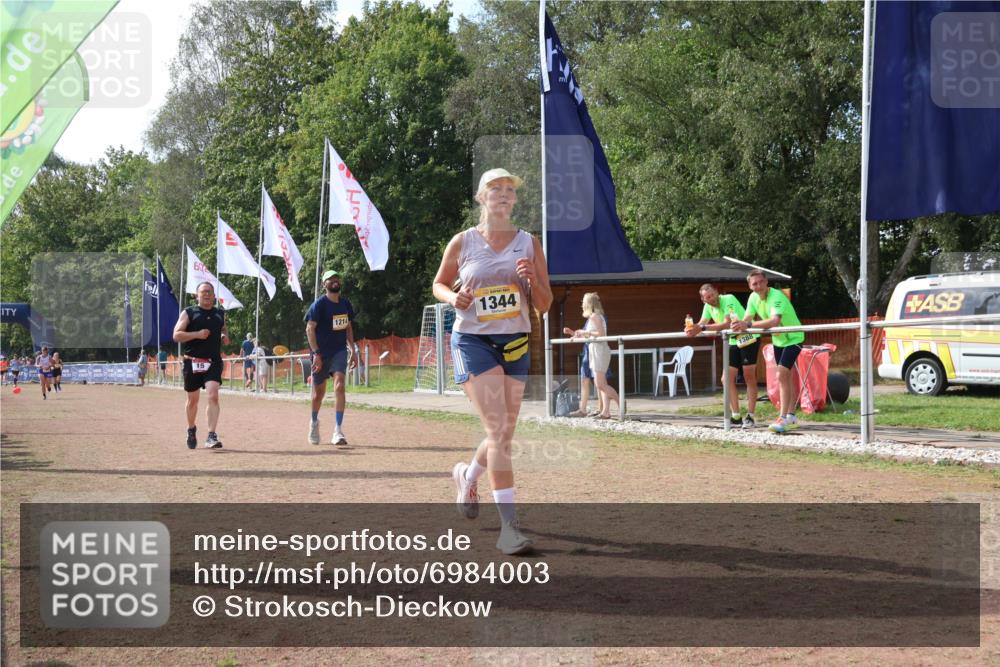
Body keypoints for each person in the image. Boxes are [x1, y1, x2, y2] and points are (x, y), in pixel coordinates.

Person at [433, 167, 553, 556]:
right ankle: (509, 528)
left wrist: (532, 279)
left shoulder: (529, 243)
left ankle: (468, 476)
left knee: (502, 436)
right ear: (481, 198)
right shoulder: (463, 242)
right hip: (473, 341)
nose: (503, 195)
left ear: (515, 200)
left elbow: (546, 304)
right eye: (494, 189)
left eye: (509, 190)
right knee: (500, 432)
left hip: (515, 341)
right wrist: (454, 298)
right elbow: (439, 283)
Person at [732, 270, 805, 434]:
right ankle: (791, 415)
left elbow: (774, 320)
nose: (758, 286)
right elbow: (747, 318)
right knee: (785, 376)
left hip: (794, 338)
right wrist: (738, 324)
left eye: (760, 282)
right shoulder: (752, 298)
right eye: (754, 284)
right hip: (778, 340)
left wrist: (747, 326)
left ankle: (783, 417)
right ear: (750, 286)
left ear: (766, 282)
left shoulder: (777, 296)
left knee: (781, 375)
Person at [687, 283, 760, 428]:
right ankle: (736, 416)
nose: (712, 299)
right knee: (726, 378)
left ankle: (750, 416)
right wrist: (691, 329)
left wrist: (701, 327)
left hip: (748, 337)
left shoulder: (728, 298)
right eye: (707, 297)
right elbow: (702, 323)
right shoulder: (707, 306)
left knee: (748, 376)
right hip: (733, 340)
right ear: (703, 300)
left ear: (717, 292)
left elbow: (727, 323)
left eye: (712, 295)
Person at [173, 281, 230, 449]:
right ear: (197, 295)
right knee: (193, 401)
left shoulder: (220, 314)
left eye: (209, 292)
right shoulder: (189, 312)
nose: (206, 294)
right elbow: (176, 335)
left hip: (213, 362)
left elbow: (223, 329)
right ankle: (191, 429)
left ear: (214, 296)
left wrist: (224, 336)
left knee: (213, 395)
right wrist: (197, 334)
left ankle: (211, 435)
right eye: (203, 292)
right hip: (192, 361)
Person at [305, 270, 357, 446]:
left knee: (340, 385)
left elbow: (348, 328)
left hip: (339, 351)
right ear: (324, 284)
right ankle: (313, 422)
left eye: (337, 278)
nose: (335, 281)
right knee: (318, 394)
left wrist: (353, 350)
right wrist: (316, 354)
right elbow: (309, 329)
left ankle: (338, 430)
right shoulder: (319, 305)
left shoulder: (345, 304)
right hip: (320, 353)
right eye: (330, 279)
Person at [564, 293, 621, 419]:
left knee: (600, 384)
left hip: (599, 350)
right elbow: (592, 334)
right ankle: (606, 412)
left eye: (583, 302)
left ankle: (621, 404)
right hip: (595, 349)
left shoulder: (595, 316)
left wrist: (585, 332)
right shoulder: (593, 317)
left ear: (588, 304)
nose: (582, 304)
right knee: (601, 383)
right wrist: (576, 333)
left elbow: (600, 334)